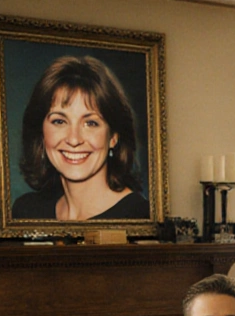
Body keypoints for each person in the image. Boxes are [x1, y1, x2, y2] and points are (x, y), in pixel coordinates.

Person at [12, 55, 150, 221]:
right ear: (41, 133)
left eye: (90, 123)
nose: (74, 139)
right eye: (59, 121)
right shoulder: (27, 212)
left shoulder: (141, 217)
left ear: (113, 136)